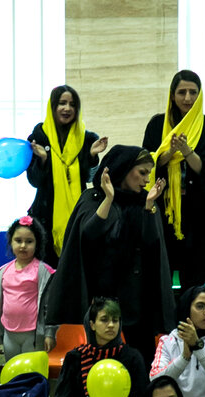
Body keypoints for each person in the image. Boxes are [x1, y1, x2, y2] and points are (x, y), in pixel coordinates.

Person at [46, 145, 175, 367]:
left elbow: (152, 244)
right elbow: (88, 235)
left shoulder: (144, 199)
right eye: (142, 172)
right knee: (100, 361)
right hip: (102, 295)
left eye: (148, 173)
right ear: (124, 169)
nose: (146, 180)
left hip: (137, 298)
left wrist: (149, 207)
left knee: (140, 363)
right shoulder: (93, 197)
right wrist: (108, 199)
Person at [142, 70, 205, 290]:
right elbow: (148, 163)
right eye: (182, 92)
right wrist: (169, 152)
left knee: (198, 277)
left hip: (199, 212)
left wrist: (186, 151)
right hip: (163, 209)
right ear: (172, 95)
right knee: (160, 273)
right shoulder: (157, 125)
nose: (187, 98)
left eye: (193, 92)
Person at [27, 85, 108, 267]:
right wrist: (43, 160)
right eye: (62, 103)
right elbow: (34, 181)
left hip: (80, 214)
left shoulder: (87, 139)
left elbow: (90, 180)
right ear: (52, 106)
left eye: (72, 104)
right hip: (45, 217)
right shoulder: (38, 137)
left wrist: (93, 157)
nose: (67, 109)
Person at [0, 215, 57, 359]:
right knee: (13, 373)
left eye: (29, 241)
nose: (23, 246)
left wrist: (50, 333)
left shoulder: (44, 272)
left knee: (31, 374)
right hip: (9, 334)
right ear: (10, 242)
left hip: (33, 335)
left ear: (37, 244)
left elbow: (51, 306)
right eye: (18, 241)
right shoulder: (1, 273)